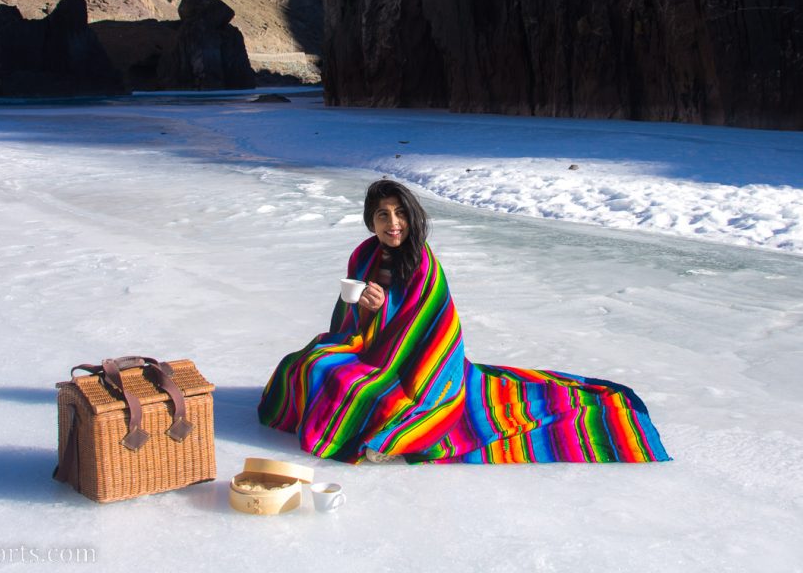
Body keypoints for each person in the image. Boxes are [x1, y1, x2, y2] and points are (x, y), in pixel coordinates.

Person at [257, 179, 669, 464]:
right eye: (382, 215)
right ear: (371, 222)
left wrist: (383, 312)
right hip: (368, 347)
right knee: (306, 362)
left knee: (350, 385)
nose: (393, 223)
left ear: (412, 217)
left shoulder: (422, 264)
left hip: (415, 366)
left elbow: (429, 330)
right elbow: (348, 318)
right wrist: (364, 307)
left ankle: (389, 433)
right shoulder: (363, 255)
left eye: (400, 213)